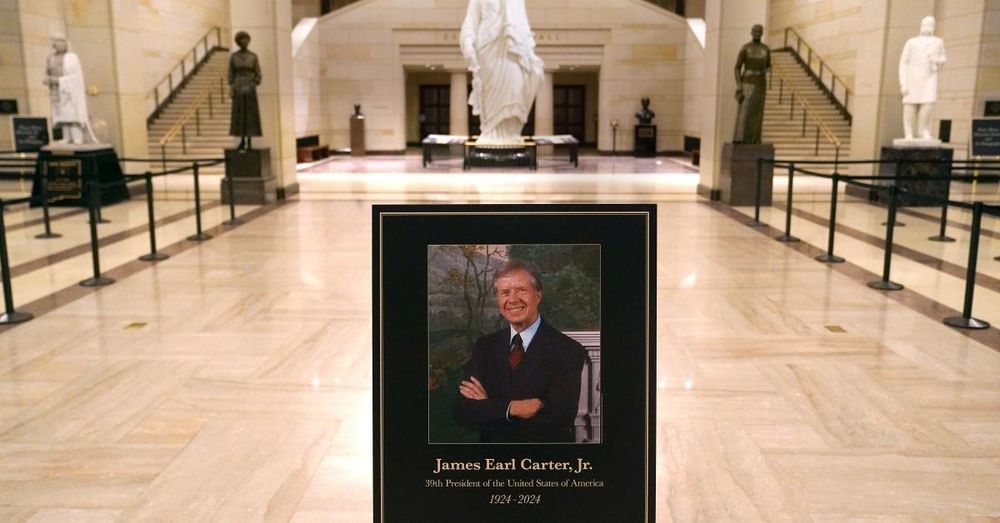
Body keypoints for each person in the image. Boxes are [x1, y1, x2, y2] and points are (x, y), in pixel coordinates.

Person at [453, 259, 586, 443]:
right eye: (505, 292)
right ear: (498, 299)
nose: (513, 299)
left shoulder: (568, 350)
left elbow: (556, 422)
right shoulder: (485, 346)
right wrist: (513, 408)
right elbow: (463, 411)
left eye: (521, 290)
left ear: (538, 295)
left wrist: (488, 406)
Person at [460, 0, 544, 144]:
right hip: (488, 48)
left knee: (515, 88)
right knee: (491, 91)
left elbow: (523, 22)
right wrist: (467, 40)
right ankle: (490, 133)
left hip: (512, 44)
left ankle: (511, 133)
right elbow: (470, 22)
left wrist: (529, 51)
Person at [899, 16, 946, 141]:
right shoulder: (911, 42)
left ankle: (923, 131)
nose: (927, 27)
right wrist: (903, 83)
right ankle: (908, 132)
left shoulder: (938, 42)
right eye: (925, 24)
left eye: (930, 25)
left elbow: (943, 58)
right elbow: (903, 63)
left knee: (928, 103)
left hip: (929, 77)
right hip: (912, 76)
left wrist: (936, 61)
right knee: (909, 105)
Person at [44, 34, 95, 145]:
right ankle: (66, 138)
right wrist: (48, 80)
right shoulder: (50, 58)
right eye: (56, 42)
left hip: (70, 91)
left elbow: (77, 76)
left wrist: (59, 80)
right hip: (57, 91)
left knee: (72, 115)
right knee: (62, 116)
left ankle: (77, 138)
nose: (58, 44)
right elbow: (48, 72)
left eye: (61, 42)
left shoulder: (72, 57)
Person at [733, 24, 771, 144]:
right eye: (755, 31)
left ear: (762, 33)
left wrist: (766, 70)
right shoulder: (745, 48)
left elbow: (769, 65)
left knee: (757, 113)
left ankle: (755, 138)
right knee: (745, 112)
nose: (758, 33)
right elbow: (737, 68)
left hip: (760, 83)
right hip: (747, 82)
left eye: (760, 31)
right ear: (751, 32)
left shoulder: (766, 49)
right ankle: (741, 138)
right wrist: (739, 85)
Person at [228, 31, 263, 150]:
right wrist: (232, 87)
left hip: (249, 87)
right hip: (238, 87)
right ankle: (242, 140)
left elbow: (258, 73)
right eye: (242, 39)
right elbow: (230, 73)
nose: (245, 42)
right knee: (240, 114)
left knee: (250, 114)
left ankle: (249, 140)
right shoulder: (234, 56)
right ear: (238, 41)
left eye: (247, 39)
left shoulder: (253, 56)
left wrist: (254, 83)